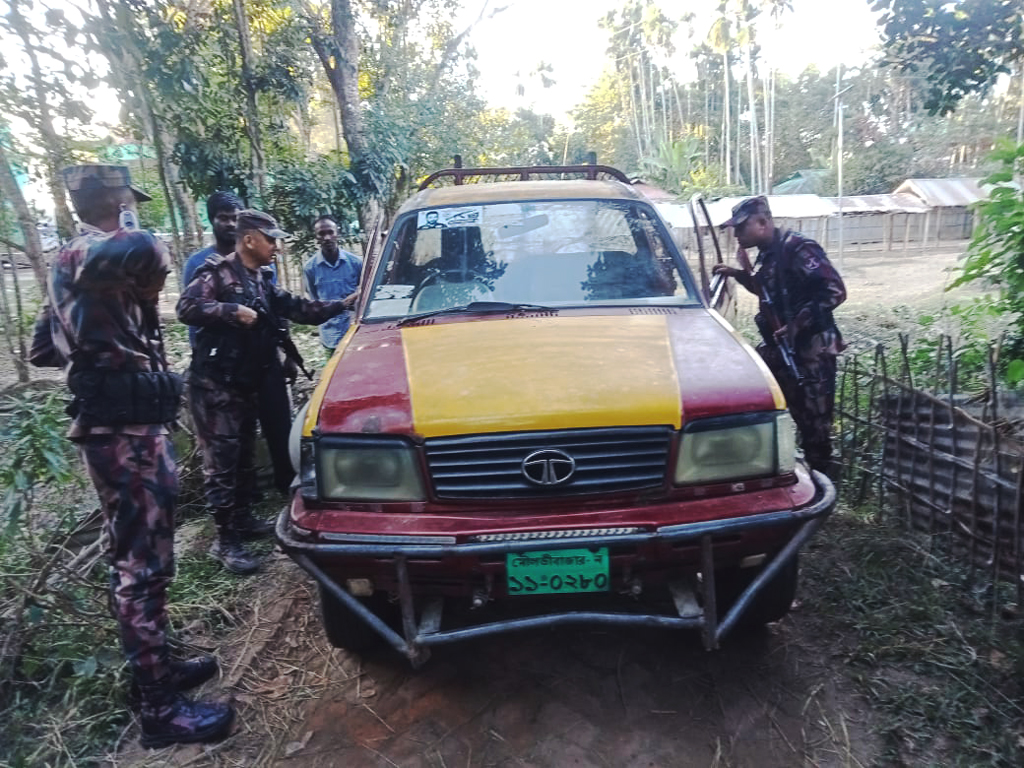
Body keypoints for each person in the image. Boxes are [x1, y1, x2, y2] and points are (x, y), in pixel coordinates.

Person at [45, 164, 233, 747]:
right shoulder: (83, 253)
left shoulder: (84, 272)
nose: (137, 212)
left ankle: (156, 671)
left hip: (126, 423)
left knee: (141, 560)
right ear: (118, 200)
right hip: (121, 432)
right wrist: (112, 364)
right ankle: (159, 710)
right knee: (141, 570)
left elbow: (40, 347)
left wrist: (100, 340)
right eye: (131, 201)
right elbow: (150, 250)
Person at [177, 210, 353, 574]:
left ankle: (241, 521)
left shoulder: (261, 279)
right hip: (214, 386)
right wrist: (230, 311)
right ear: (249, 239)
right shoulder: (216, 273)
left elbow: (298, 308)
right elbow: (187, 307)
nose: (277, 246)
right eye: (271, 239)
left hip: (244, 383)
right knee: (222, 466)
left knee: (241, 459)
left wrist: (344, 303)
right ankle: (225, 542)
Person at [712, 195, 847, 476]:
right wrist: (737, 273)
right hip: (786, 348)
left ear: (763, 222)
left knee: (815, 427)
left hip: (811, 351)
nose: (736, 234)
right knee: (776, 410)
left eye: (741, 227)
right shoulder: (769, 252)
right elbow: (769, 290)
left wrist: (798, 323)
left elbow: (834, 290)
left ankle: (824, 486)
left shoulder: (797, 248)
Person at [183, 192, 295, 495]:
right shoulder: (204, 265)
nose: (230, 224)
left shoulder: (260, 268)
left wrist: (286, 351)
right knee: (227, 445)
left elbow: (276, 308)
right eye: (223, 217)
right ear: (212, 220)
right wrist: (230, 315)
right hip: (224, 368)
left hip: (261, 359)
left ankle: (283, 486)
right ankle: (234, 517)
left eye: (235, 217)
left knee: (272, 426)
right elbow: (192, 312)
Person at [302, 215, 362, 355]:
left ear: (337, 233)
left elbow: (363, 292)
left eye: (330, 232)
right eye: (321, 234)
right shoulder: (310, 268)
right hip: (329, 334)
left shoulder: (355, 263)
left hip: (354, 331)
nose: (327, 237)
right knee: (333, 373)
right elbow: (314, 299)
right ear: (316, 237)